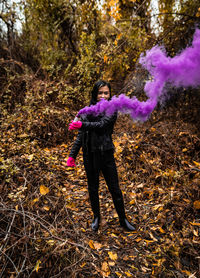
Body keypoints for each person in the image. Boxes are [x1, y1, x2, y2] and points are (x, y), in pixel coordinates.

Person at [67, 80, 136, 232]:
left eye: (106, 93)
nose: (103, 96)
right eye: (100, 93)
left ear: (110, 94)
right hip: (89, 155)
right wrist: (72, 155)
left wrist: (82, 125)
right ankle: (96, 217)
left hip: (106, 154)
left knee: (115, 189)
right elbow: (81, 136)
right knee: (93, 188)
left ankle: (123, 219)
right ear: (94, 94)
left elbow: (102, 126)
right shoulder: (86, 111)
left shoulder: (112, 109)